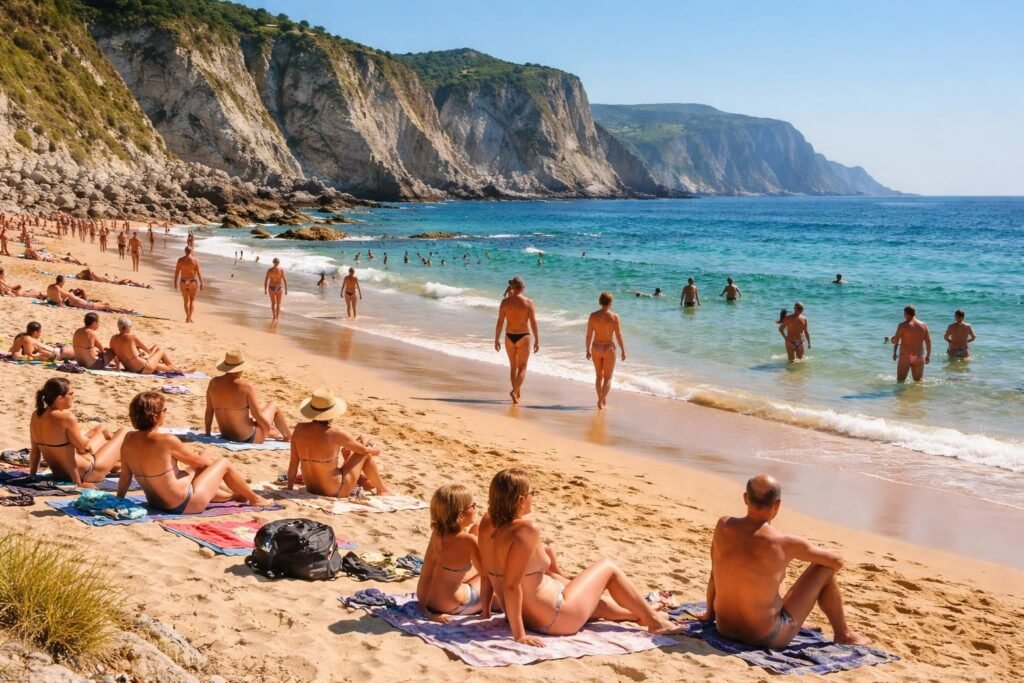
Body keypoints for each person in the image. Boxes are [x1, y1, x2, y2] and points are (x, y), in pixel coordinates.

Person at [479, 469, 681, 646]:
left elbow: (487, 575)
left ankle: (639, 614)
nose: (534, 497)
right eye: (533, 493)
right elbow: (511, 586)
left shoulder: (487, 523)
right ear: (521, 500)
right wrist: (520, 636)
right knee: (608, 567)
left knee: (596, 603)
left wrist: (486, 613)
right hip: (555, 618)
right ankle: (656, 622)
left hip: (524, 615)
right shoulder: (526, 530)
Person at [698, 475, 869, 647]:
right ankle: (843, 634)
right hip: (765, 636)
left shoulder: (723, 525)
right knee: (824, 568)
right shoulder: (783, 542)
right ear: (777, 504)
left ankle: (793, 618)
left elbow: (714, 574)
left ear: (745, 498)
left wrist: (709, 614)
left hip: (724, 628)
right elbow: (837, 561)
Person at [118, 391, 273, 514]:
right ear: (157, 415)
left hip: (156, 503)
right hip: (184, 505)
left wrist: (119, 501)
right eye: (164, 411)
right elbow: (202, 464)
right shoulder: (166, 440)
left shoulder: (128, 439)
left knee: (191, 470)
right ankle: (255, 498)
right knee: (223, 464)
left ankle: (232, 496)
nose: (165, 413)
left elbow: (125, 476)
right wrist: (204, 454)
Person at [285, 388, 388, 495]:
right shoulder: (335, 433)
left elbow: (293, 462)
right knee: (366, 452)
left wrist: (289, 488)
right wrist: (376, 449)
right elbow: (364, 451)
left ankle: (365, 480)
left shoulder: (299, 428)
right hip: (336, 490)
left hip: (311, 488)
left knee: (362, 442)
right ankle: (382, 489)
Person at [29, 377, 127, 486]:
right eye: (71, 394)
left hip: (59, 473)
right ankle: (123, 463)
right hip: (89, 472)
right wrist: (84, 438)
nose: (73, 397)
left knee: (100, 429)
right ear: (60, 398)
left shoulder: (36, 415)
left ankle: (116, 464)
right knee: (124, 431)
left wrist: (32, 476)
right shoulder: (66, 417)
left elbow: (35, 452)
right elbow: (84, 449)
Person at [417, 484, 484, 621]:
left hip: (427, 600)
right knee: (500, 578)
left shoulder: (437, 533)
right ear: (460, 515)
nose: (476, 509)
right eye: (473, 506)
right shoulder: (469, 541)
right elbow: (487, 574)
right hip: (452, 605)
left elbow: (426, 574)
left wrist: (425, 611)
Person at [204, 350, 291, 444]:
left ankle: (273, 432)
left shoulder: (213, 383)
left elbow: (209, 411)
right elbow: (256, 414)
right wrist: (267, 429)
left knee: (261, 410)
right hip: (248, 438)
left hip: (225, 435)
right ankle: (287, 437)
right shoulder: (245, 386)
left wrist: (207, 433)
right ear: (241, 368)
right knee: (274, 405)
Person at [494, 276, 539, 404]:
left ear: (512, 288)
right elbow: (533, 323)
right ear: (523, 288)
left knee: (513, 367)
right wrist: (537, 340)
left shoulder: (505, 302)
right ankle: (514, 391)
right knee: (523, 367)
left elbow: (500, 322)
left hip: (509, 336)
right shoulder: (529, 303)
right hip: (523, 336)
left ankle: (517, 393)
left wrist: (496, 339)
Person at [585, 292, 626, 409]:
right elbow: (618, 335)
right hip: (608, 348)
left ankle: (600, 399)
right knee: (608, 378)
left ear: (600, 301)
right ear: (610, 302)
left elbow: (589, 335)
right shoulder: (614, 317)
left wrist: (587, 349)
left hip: (596, 347)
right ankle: (601, 400)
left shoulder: (593, 316)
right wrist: (623, 350)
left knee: (599, 377)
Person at [109, 316, 190, 374]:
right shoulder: (131, 337)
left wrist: (117, 368)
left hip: (130, 369)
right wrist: (155, 348)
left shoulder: (113, 339)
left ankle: (178, 369)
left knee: (157, 365)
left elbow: (115, 356)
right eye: (130, 326)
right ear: (126, 327)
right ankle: (179, 370)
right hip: (143, 367)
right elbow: (149, 352)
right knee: (161, 350)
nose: (130, 328)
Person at [891, 305, 931, 382]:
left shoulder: (902, 325)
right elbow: (928, 342)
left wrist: (892, 339)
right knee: (918, 382)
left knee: (900, 381)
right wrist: (928, 356)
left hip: (905, 356)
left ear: (906, 313)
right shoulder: (924, 325)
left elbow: (895, 341)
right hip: (919, 356)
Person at [10, 321, 74, 361]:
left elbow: (15, 351)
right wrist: (39, 356)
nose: (40, 334)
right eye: (40, 332)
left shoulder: (23, 337)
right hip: (59, 353)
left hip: (58, 352)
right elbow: (29, 354)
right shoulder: (27, 339)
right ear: (35, 332)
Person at [173, 245, 203, 323]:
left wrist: (175, 282)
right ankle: (189, 317)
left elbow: (177, 272)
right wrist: (201, 283)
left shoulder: (180, 260)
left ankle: (187, 316)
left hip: (183, 282)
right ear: (191, 251)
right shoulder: (195, 261)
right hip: (192, 282)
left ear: (185, 251)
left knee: (186, 301)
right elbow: (198, 273)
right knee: (192, 300)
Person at [76, 268, 150, 288]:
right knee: (130, 280)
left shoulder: (94, 278)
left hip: (113, 280)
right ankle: (143, 286)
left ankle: (142, 285)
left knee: (130, 281)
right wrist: (82, 273)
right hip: (114, 282)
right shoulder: (94, 277)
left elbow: (89, 270)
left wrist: (82, 273)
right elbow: (89, 269)